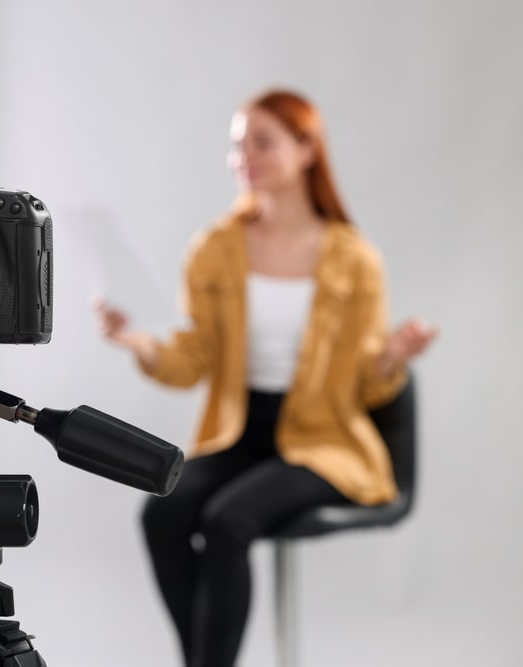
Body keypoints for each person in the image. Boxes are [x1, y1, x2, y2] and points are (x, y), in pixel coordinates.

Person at [93, 89, 437, 667]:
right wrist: (141, 344)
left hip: (324, 441)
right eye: (236, 145)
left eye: (261, 142)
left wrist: (393, 358)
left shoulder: (355, 259)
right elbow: (192, 359)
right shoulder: (215, 249)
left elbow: (368, 383)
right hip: (240, 434)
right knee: (162, 511)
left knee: (229, 522)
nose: (242, 157)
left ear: (306, 149)